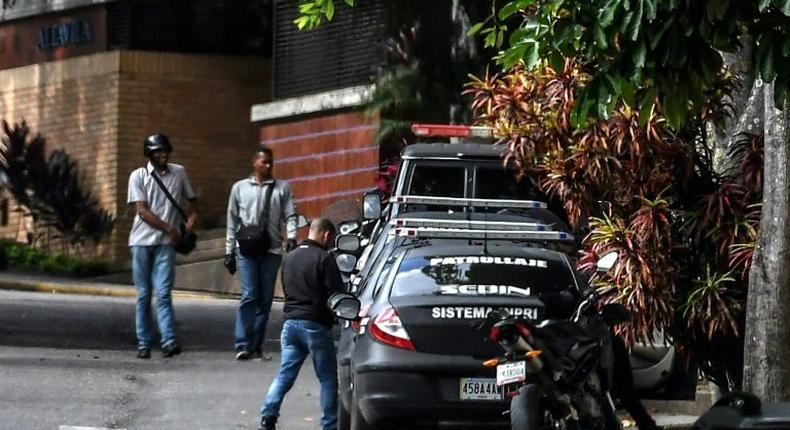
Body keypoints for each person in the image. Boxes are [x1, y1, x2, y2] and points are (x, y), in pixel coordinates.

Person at [259, 218, 342, 430]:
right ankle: (329, 425)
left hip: (290, 325)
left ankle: (268, 414)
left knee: (285, 374)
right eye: (330, 238)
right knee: (327, 377)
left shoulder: (289, 258)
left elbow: (287, 289)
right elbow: (336, 295)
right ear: (325, 235)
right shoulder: (324, 258)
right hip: (315, 325)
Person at [127, 133, 198, 359]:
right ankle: (144, 343)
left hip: (167, 244)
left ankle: (169, 341)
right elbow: (142, 210)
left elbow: (193, 203)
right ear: (149, 153)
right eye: (158, 151)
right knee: (144, 294)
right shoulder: (138, 176)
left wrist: (189, 223)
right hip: (141, 242)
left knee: (164, 293)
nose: (163, 155)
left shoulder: (179, 172)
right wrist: (170, 228)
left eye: (166, 150)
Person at [224, 145, 297, 361]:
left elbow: (291, 214)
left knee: (265, 299)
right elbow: (232, 220)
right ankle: (242, 343)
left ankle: (256, 345)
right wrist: (228, 251)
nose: (268, 165)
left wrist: (291, 236)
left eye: (271, 162)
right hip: (245, 249)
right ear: (254, 162)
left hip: (271, 249)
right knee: (249, 295)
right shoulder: (239, 188)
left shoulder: (282, 188)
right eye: (264, 161)